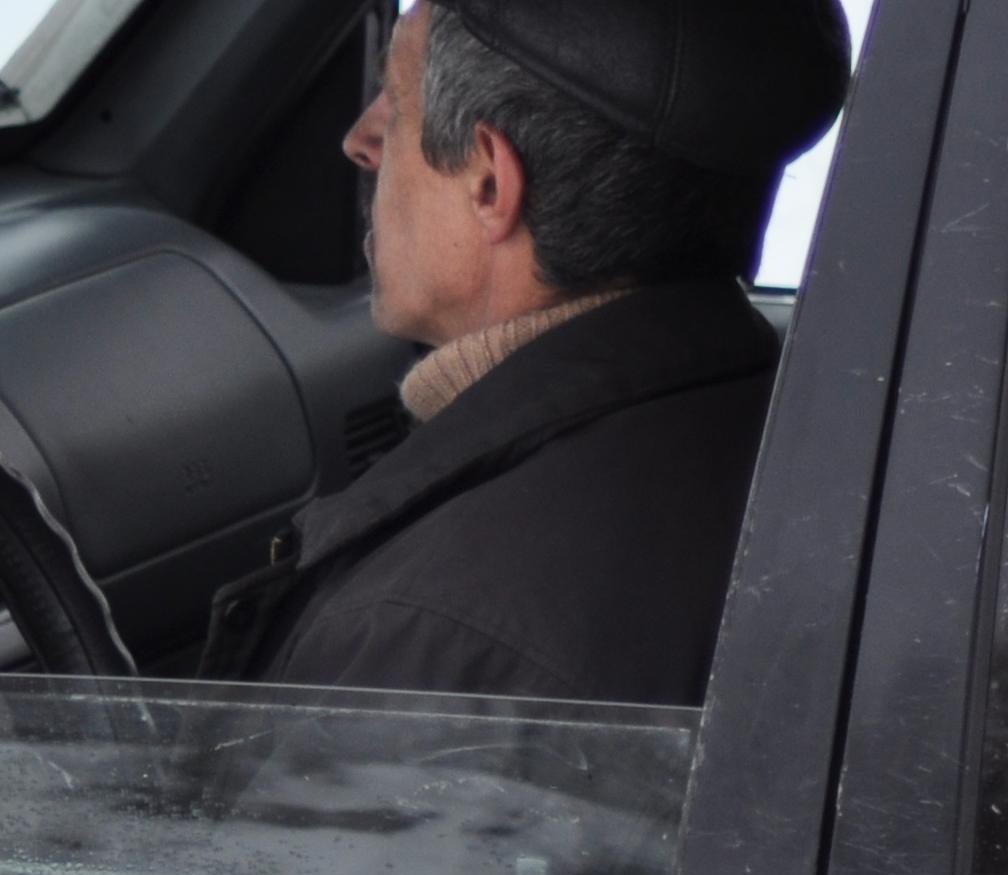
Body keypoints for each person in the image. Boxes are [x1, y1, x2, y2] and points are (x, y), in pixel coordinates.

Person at [214, 0, 852, 703]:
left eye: (394, 103)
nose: (359, 141)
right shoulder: (804, 432)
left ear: (492, 183)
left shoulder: (429, 637)